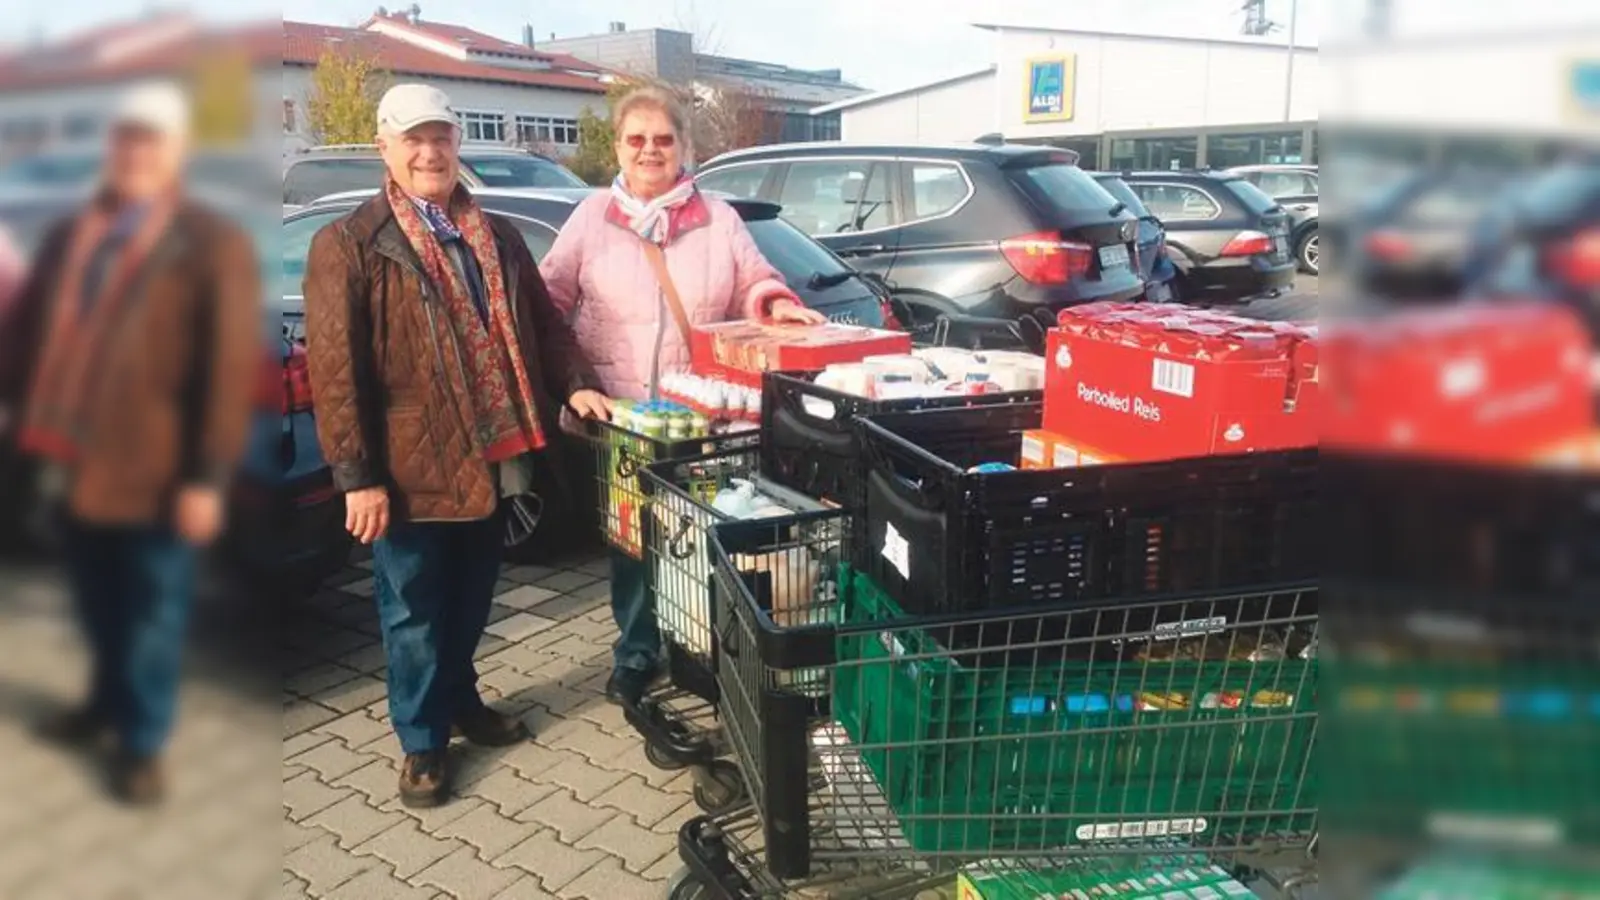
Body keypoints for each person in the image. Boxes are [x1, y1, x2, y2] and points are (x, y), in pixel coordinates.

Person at [301, 83, 610, 808]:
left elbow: (544, 325)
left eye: (440, 136)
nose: (429, 151)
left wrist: (575, 384)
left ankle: (462, 701)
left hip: (492, 451)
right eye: (412, 139)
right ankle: (421, 742)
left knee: (473, 597)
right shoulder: (348, 242)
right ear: (385, 148)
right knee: (412, 607)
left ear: (456, 144)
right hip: (408, 462)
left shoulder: (495, 235)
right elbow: (335, 374)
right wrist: (357, 477)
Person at [0, 83, 260, 804]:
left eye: (151, 140)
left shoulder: (211, 243)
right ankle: (103, 703)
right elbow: (29, 337)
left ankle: (141, 742)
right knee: (94, 600)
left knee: (154, 612)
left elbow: (227, 368)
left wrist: (207, 478)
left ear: (176, 152)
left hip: (159, 468)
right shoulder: (71, 234)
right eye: (125, 139)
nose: (135, 153)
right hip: (69, 457)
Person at [539, 86, 825, 708]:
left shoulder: (717, 217)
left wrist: (774, 305)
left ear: (684, 147)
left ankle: (706, 649)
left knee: (705, 535)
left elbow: (756, 279)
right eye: (636, 139)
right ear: (617, 146)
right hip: (620, 418)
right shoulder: (592, 217)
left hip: (702, 418)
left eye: (662, 139)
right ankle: (637, 652)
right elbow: (548, 303)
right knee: (632, 539)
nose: (649, 151)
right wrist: (575, 382)